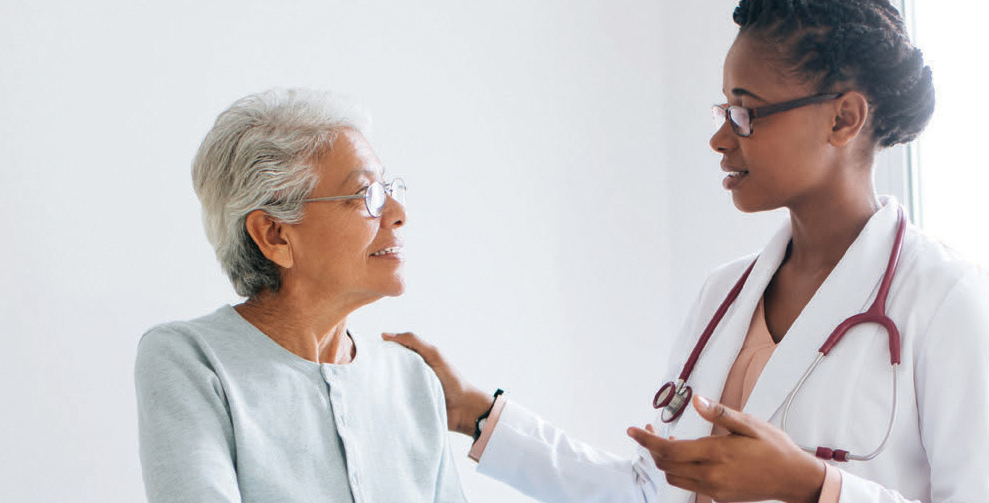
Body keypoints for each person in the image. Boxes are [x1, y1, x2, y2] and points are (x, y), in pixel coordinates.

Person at [385, 1, 989, 502]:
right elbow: (653, 492)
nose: (720, 138)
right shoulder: (724, 295)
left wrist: (814, 486)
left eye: (746, 113)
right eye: (723, 109)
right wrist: (476, 414)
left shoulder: (942, 299)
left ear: (844, 118)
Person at [135, 88, 466, 503]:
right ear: (274, 235)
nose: (398, 213)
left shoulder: (412, 379)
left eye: (389, 187)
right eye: (366, 194)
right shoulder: (190, 360)